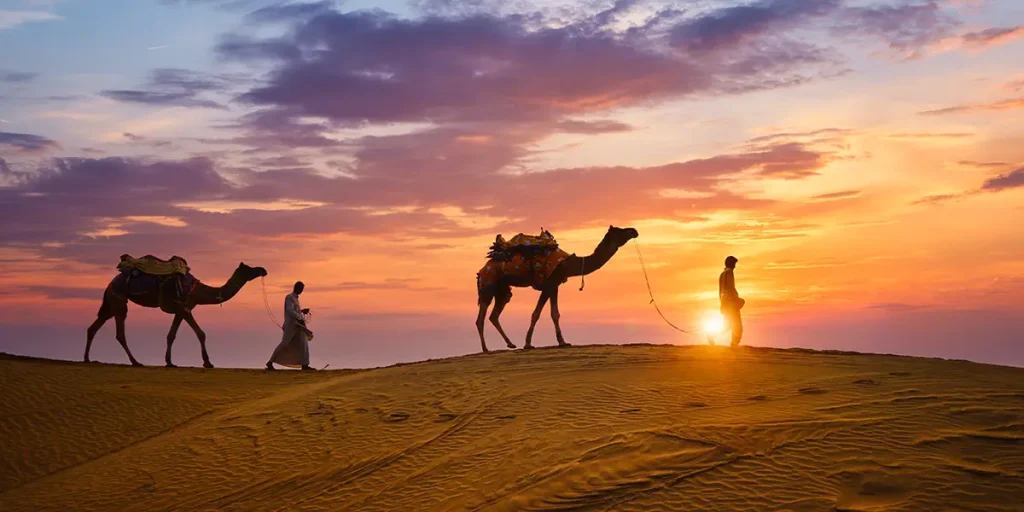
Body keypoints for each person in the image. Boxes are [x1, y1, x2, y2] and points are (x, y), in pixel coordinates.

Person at [266, 281, 314, 371]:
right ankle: (270, 362)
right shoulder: (289, 297)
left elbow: (295, 311)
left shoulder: (295, 299)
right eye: (300, 288)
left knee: (303, 343)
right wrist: (300, 317)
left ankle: (305, 365)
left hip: (298, 325)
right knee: (285, 343)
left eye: (302, 289)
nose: (301, 290)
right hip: (291, 324)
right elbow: (290, 310)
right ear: (296, 287)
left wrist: (302, 311)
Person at [719, 256, 745, 347]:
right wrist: (739, 301)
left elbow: (720, 291)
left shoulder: (722, 274)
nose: (735, 266)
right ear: (731, 264)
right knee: (736, 325)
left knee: (728, 325)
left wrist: (721, 304)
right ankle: (734, 343)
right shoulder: (729, 272)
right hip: (731, 303)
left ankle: (712, 335)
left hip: (725, 302)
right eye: (734, 264)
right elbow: (731, 289)